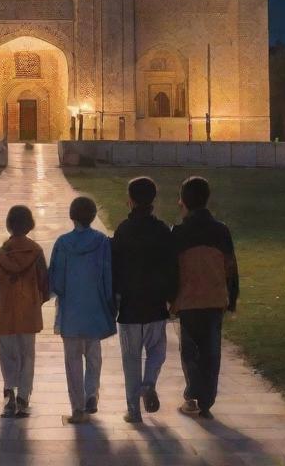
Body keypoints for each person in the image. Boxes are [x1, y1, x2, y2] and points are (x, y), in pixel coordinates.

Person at [170, 176, 239, 419]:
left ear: (183, 202)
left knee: (190, 351)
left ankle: (192, 395)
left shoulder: (178, 232)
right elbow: (230, 266)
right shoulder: (221, 231)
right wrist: (232, 296)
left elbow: (172, 269)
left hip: (188, 301)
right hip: (214, 299)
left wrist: (170, 299)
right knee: (211, 350)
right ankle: (207, 400)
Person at [111, 176, 178, 423]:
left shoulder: (123, 230)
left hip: (129, 306)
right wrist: (172, 296)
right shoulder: (162, 230)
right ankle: (148, 384)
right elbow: (172, 266)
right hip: (155, 304)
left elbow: (115, 267)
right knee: (156, 351)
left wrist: (114, 297)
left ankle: (133, 410)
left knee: (130, 358)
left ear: (129, 200)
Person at [48, 195, 116, 423]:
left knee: (73, 360)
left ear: (72, 216)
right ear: (93, 215)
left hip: (71, 312)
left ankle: (77, 406)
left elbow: (55, 281)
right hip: (95, 308)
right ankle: (91, 394)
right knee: (94, 356)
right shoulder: (102, 242)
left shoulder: (63, 243)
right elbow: (108, 275)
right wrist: (109, 302)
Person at [0, 204, 50, 418]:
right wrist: (37, 301)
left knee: (7, 354)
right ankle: (24, 396)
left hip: (6, 313)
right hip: (29, 311)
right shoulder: (37, 251)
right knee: (27, 355)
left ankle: (9, 392)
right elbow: (45, 282)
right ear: (29, 224)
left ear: (9, 225)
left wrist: (2, 301)